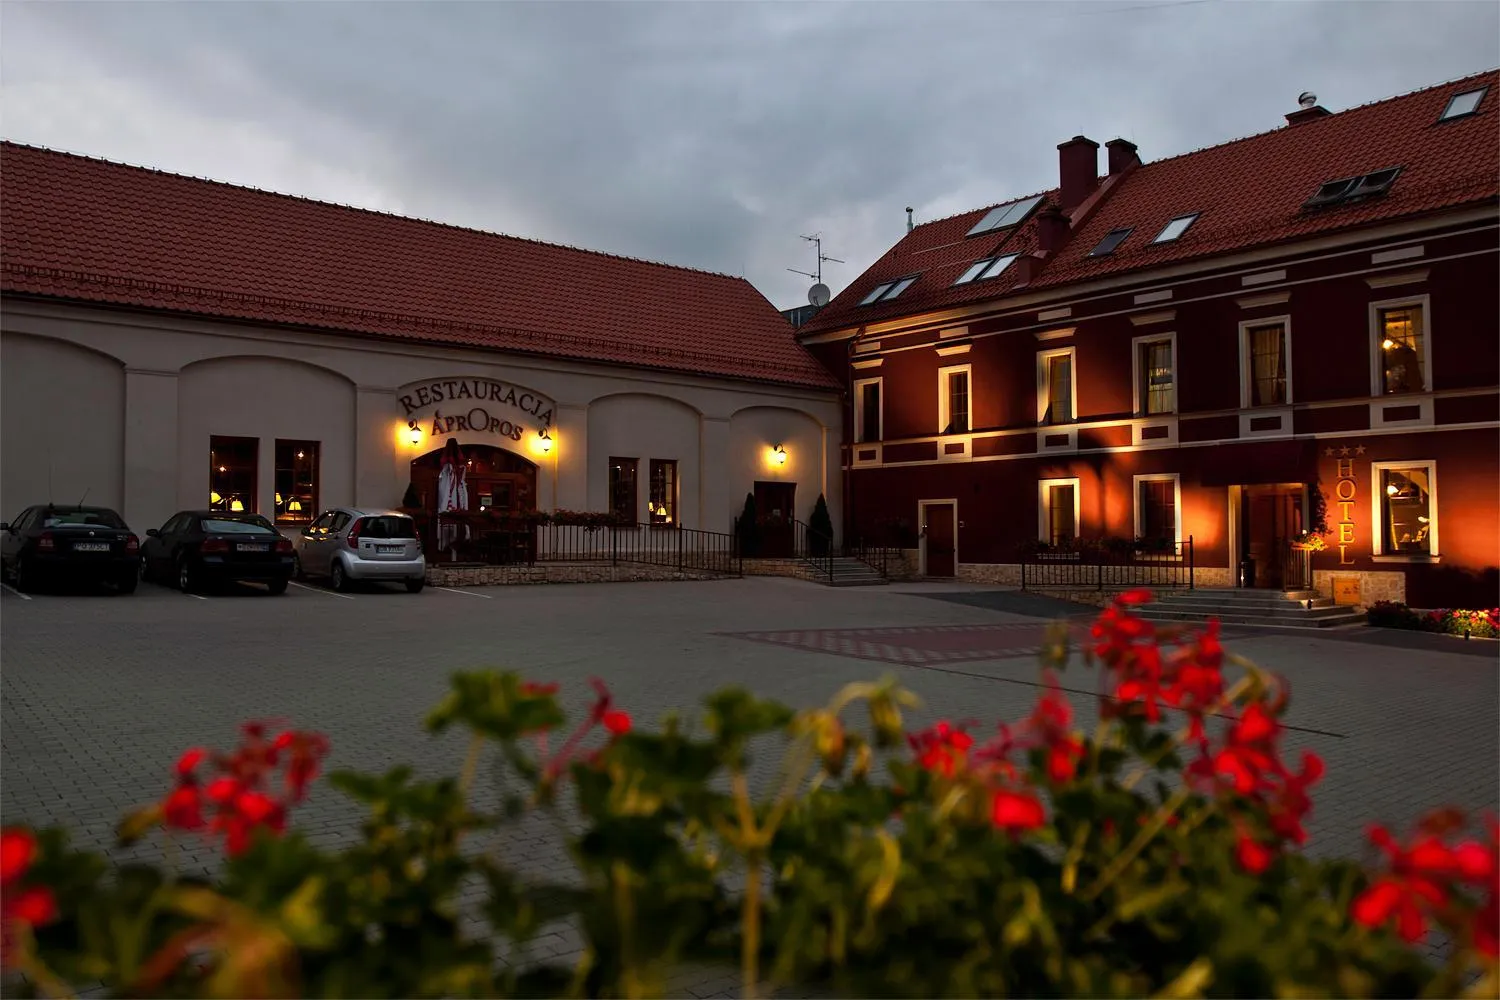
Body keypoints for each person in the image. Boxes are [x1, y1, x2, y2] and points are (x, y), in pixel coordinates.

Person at [436, 438, 469, 559]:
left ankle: (454, 552)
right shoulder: (448, 471)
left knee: (455, 530)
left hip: (453, 504)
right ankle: (451, 553)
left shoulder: (456, 474)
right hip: (451, 505)